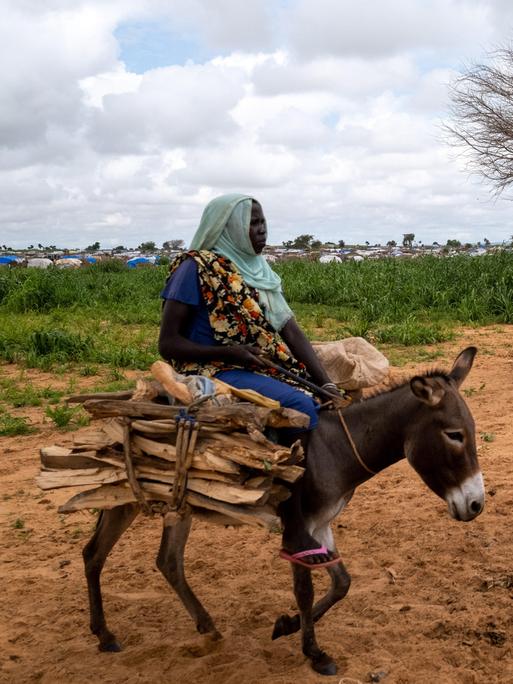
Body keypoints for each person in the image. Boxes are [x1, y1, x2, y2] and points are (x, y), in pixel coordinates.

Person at [159, 193, 338, 565]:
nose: (261, 230)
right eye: (252, 223)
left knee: (317, 397)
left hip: (253, 365)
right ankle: (293, 527)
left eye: (263, 221)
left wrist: (326, 383)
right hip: (214, 370)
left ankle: (304, 491)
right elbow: (168, 344)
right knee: (300, 405)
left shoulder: (259, 270)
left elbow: (291, 331)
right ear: (227, 229)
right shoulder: (194, 269)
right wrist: (228, 352)